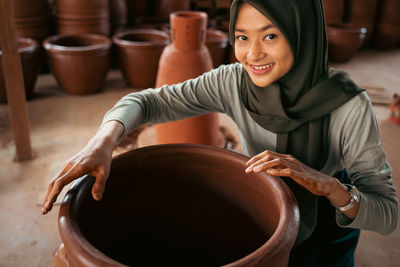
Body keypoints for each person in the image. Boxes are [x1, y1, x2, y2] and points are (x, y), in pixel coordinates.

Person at [42, 0, 398, 266]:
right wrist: (103, 140)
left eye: (270, 36)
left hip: (328, 227)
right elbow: (147, 102)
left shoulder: (347, 105)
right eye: (242, 37)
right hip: (264, 200)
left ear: (303, 34)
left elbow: (387, 214)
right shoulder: (234, 82)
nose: (252, 54)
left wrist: (329, 187)